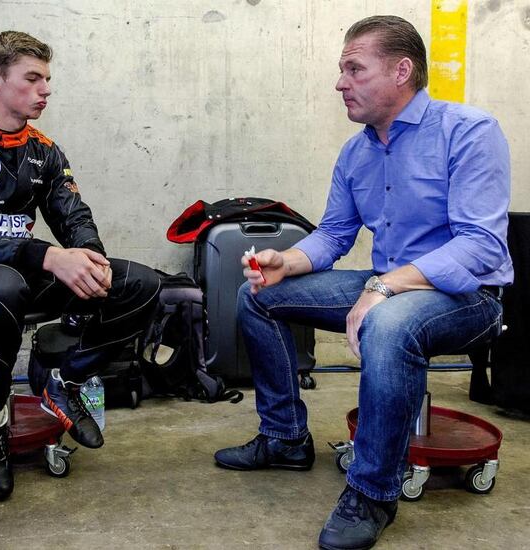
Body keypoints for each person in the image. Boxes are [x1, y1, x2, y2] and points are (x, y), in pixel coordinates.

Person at [213, 15, 512, 550]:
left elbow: (481, 246)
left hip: (468, 298)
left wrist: (386, 287)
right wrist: (288, 260)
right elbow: (332, 234)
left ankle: (373, 491)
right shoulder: (357, 151)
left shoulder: (469, 131)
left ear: (402, 70)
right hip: (386, 286)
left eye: (354, 68)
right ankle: (283, 438)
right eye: (341, 69)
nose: (340, 83)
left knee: (389, 323)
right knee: (258, 297)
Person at [0, 31, 160, 501]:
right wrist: (49, 256)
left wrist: (91, 257)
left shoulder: (44, 149)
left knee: (140, 284)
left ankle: (63, 379)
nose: (45, 89)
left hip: (26, 271)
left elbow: (73, 214)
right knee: (1, 286)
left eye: (47, 78)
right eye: (32, 78)